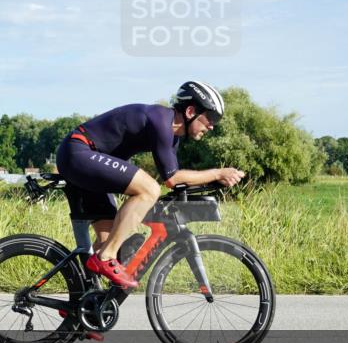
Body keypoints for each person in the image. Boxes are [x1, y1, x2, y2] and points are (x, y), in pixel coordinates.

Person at [55, 80, 244, 289]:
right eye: (211, 117)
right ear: (191, 111)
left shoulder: (172, 138)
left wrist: (215, 182)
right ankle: (106, 257)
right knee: (149, 190)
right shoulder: (161, 120)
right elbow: (172, 179)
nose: (212, 125)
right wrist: (217, 173)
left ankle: (82, 301)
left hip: (87, 161)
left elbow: (178, 181)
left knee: (108, 242)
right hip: (78, 152)